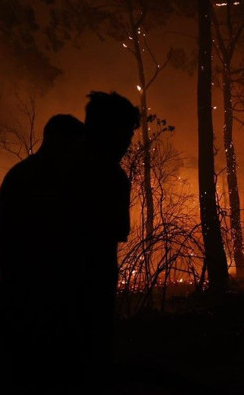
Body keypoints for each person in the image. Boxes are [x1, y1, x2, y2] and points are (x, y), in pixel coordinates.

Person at [0, 114, 87, 394]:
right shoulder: (54, 180)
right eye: (74, 145)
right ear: (62, 142)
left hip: (16, 294)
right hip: (39, 297)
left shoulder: (19, 174)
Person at [76, 91, 140, 391]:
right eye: (126, 133)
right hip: (85, 308)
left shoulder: (38, 168)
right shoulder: (109, 176)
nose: (128, 144)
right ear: (112, 131)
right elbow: (113, 234)